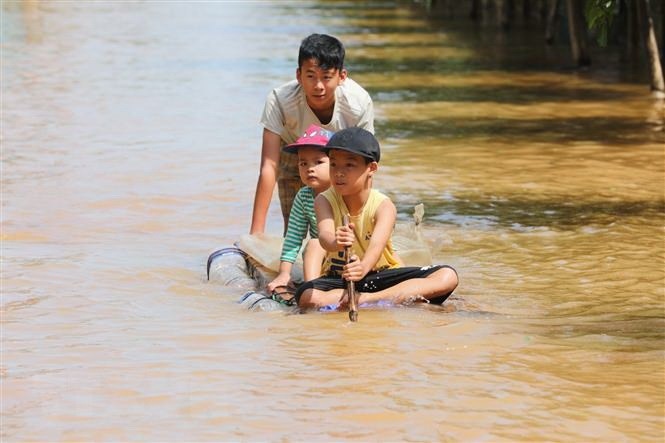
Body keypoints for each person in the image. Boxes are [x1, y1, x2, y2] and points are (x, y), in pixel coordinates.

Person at [295, 127, 459, 309]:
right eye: (333, 164)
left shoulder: (384, 206)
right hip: (341, 276)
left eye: (349, 165)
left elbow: (376, 247)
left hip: (381, 275)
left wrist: (363, 268)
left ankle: (366, 300)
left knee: (447, 275)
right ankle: (388, 299)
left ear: (371, 168)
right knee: (306, 295)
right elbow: (324, 238)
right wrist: (336, 241)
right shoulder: (324, 200)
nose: (339, 172)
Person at [250, 33, 374, 235]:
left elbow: (366, 167)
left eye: (326, 77)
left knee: (339, 227)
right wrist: (256, 234)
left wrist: (365, 225)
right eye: (311, 76)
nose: (318, 86)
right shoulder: (279, 100)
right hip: (293, 152)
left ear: (342, 77)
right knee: (293, 229)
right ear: (298, 75)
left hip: (338, 156)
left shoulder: (358, 104)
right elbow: (269, 166)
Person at [266, 125, 332, 296]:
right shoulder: (304, 197)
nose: (310, 168)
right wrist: (284, 273)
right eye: (303, 163)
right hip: (322, 256)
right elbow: (294, 237)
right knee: (314, 243)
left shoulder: (344, 192)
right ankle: (312, 290)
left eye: (318, 162)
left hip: (349, 252)